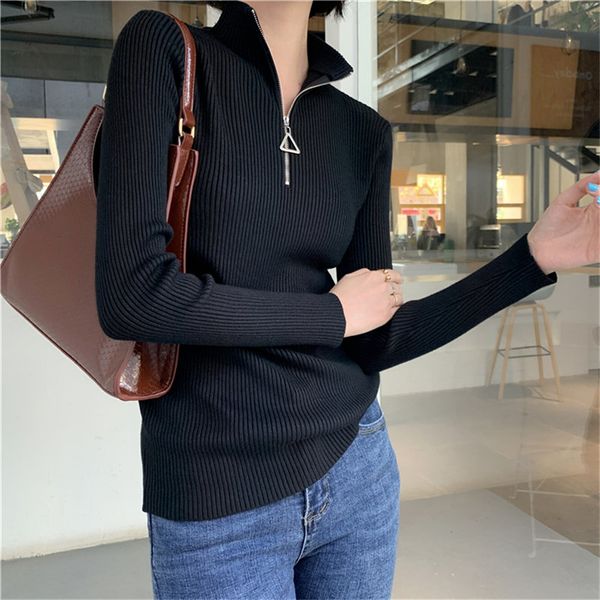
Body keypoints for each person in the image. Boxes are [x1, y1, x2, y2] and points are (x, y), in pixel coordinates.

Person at [94, 1, 600, 598]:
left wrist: (532, 259)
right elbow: (134, 296)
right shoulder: (165, 52)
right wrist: (332, 314)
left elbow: (376, 338)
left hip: (357, 464)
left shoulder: (361, 130)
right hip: (218, 490)